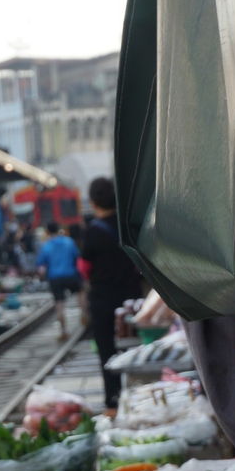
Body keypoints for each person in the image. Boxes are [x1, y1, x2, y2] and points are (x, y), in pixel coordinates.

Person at [82, 176, 142, 414]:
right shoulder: (127, 226)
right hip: (132, 298)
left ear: (93, 201)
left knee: (107, 351)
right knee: (135, 348)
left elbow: (84, 268)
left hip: (103, 301)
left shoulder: (93, 232)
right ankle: (138, 395)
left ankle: (114, 401)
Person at [36, 222, 84, 340]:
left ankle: (63, 331)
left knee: (59, 303)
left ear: (47, 232)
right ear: (59, 229)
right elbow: (77, 257)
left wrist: (42, 276)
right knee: (81, 293)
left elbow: (41, 268)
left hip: (55, 278)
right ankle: (84, 316)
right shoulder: (69, 241)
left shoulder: (46, 246)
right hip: (71, 274)